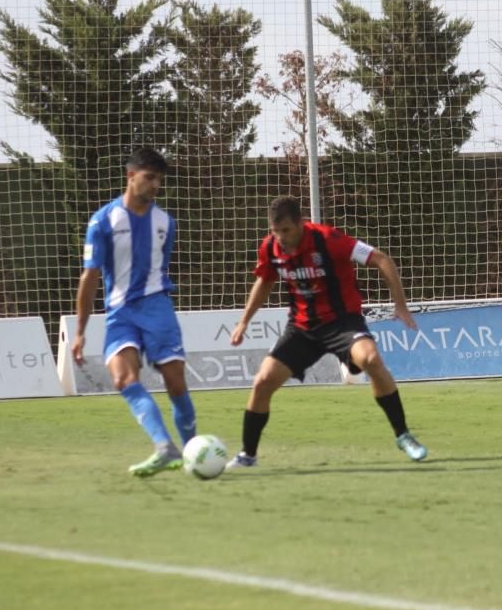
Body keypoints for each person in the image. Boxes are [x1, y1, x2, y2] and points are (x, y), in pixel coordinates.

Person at [227, 195, 427, 469]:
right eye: (275, 231)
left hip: (342, 323)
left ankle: (403, 436)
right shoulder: (271, 247)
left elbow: (381, 259)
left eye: (286, 230)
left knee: (371, 360)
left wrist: (400, 305)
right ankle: (247, 455)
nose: (281, 237)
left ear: (301, 223)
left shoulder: (329, 239)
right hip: (302, 328)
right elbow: (264, 282)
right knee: (262, 381)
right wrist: (243, 322)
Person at [71, 147, 197, 477]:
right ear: (131, 176)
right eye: (149, 177)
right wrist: (81, 331)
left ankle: (193, 449)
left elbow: (161, 267)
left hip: (157, 308)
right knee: (122, 378)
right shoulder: (103, 221)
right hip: (120, 313)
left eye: (159, 180)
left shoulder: (165, 223)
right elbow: (91, 277)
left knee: (175, 382)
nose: (155, 185)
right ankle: (165, 448)